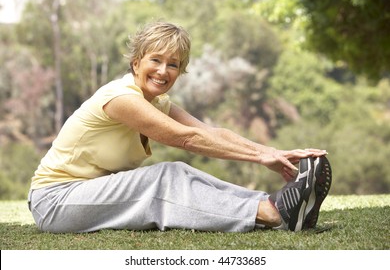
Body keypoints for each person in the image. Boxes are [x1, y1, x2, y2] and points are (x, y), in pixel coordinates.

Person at [28, 21, 332, 233]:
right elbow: (184, 138)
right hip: (56, 201)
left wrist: (274, 152)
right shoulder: (119, 98)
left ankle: (274, 206)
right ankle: (271, 214)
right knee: (164, 176)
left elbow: (211, 133)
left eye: (173, 64)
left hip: (84, 195)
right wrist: (257, 157)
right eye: (155, 60)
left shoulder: (158, 102)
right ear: (136, 63)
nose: (163, 71)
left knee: (181, 172)